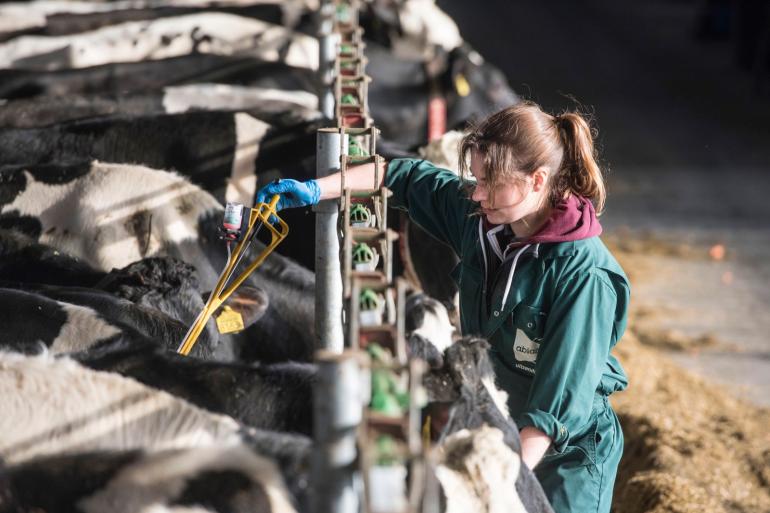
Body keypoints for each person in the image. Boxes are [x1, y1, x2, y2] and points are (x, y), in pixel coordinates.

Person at [256, 101, 630, 513]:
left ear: (538, 181)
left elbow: (553, 414)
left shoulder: (584, 278)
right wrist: (316, 189)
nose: (477, 192)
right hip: (499, 429)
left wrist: (498, 482)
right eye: (477, 178)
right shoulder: (484, 221)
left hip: (564, 458)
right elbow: (400, 176)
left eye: (491, 181)